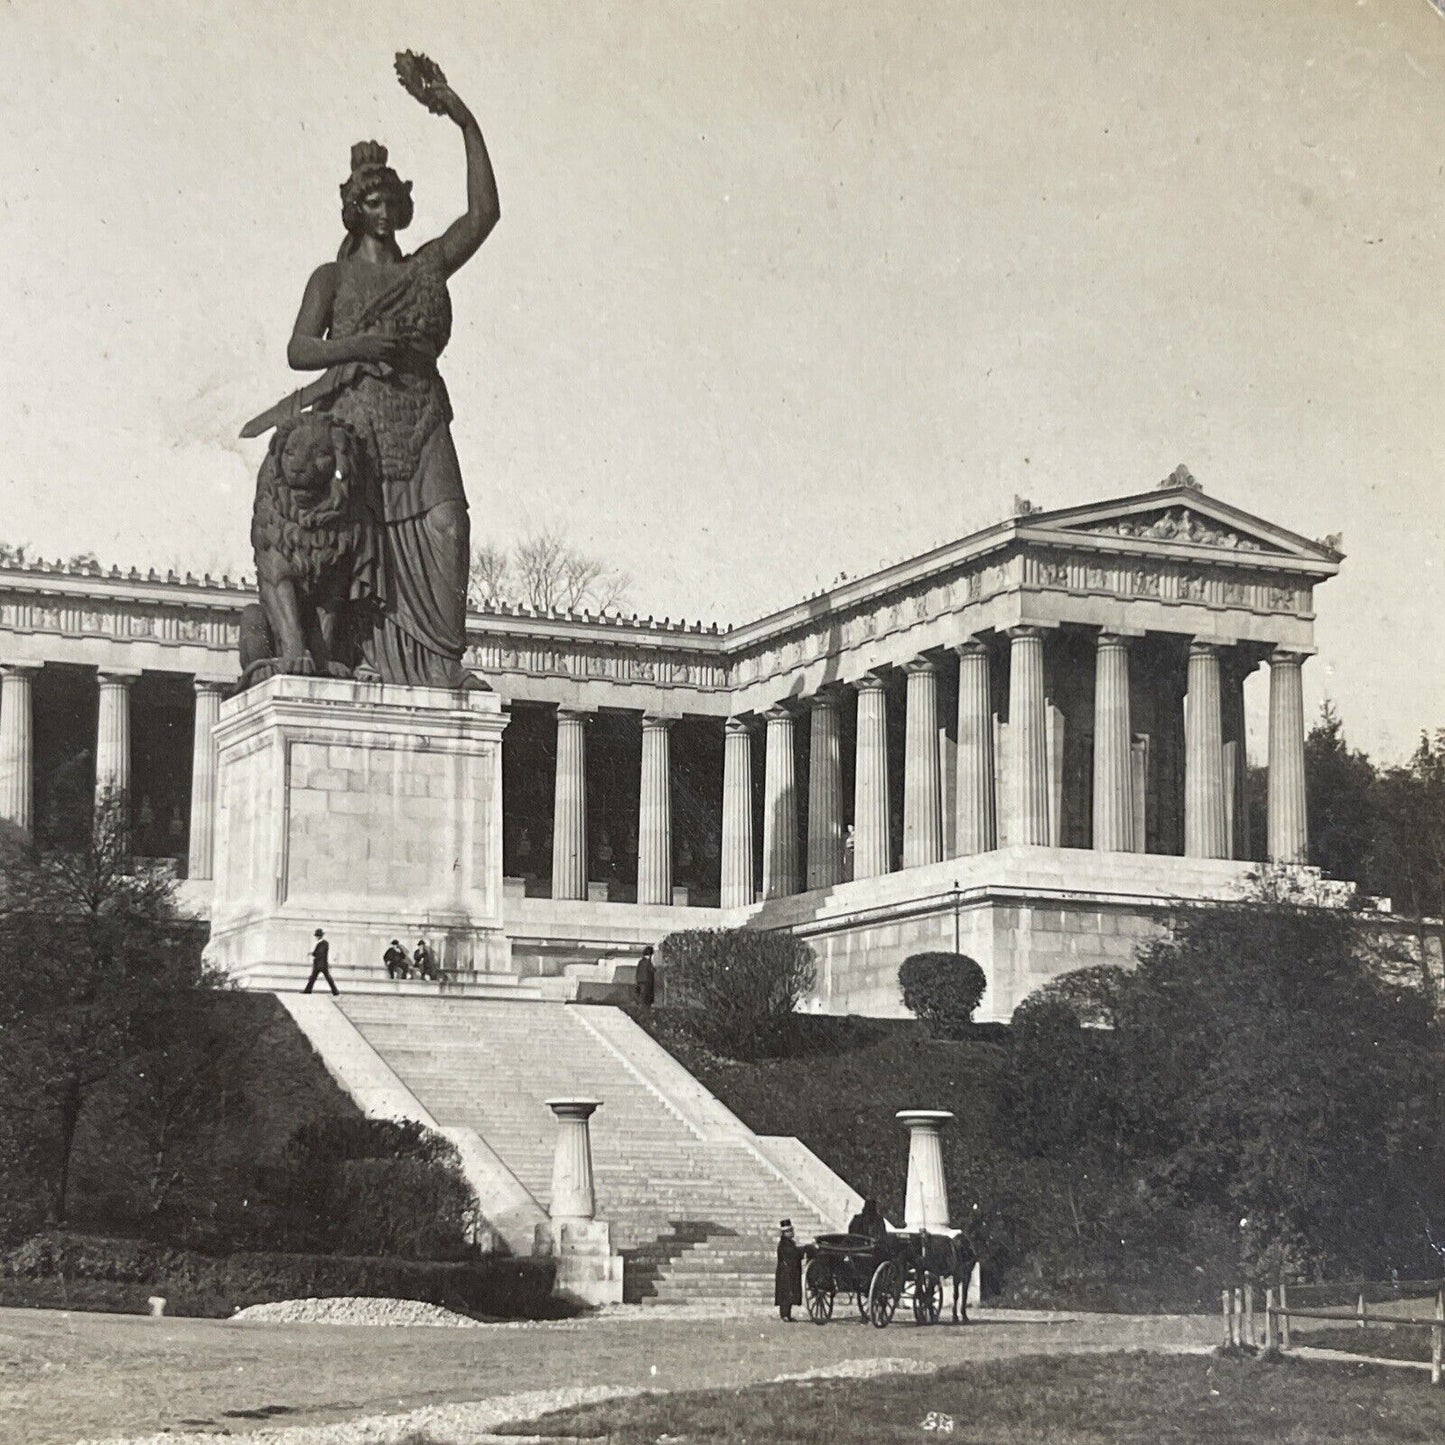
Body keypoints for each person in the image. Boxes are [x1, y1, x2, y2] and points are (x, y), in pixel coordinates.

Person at [244, 63, 501, 689]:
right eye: (372, 202)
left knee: (449, 523)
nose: (385, 212)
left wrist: (464, 119)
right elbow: (300, 350)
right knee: (358, 552)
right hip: (356, 423)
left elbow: (484, 215)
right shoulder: (330, 279)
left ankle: (442, 659)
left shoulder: (427, 266)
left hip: (420, 411)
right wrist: (357, 343)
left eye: (392, 201)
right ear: (354, 210)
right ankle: (364, 654)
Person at [775, 1219, 804, 1322]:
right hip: (785, 1272)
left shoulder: (789, 1243)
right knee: (786, 1294)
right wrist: (801, 1251)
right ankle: (784, 1315)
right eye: (790, 1231)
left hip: (790, 1271)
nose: (792, 1232)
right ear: (785, 1233)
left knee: (790, 1293)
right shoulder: (784, 1244)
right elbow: (793, 1255)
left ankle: (787, 1314)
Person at [304, 928, 339, 995]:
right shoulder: (320, 943)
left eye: (317, 936)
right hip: (319, 964)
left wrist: (313, 953)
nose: (316, 937)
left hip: (321, 964)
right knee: (313, 978)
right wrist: (313, 953)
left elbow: (320, 952)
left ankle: (335, 991)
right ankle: (307, 990)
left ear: (319, 936)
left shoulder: (324, 943)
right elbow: (318, 952)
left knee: (327, 978)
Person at [634, 945, 656, 1009]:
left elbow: (638, 971)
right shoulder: (648, 962)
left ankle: (640, 1006)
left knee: (641, 994)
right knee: (645, 995)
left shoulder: (640, 961)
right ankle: (644, 1007)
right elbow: (652, 970)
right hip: (647, 981)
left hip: (640, 980)